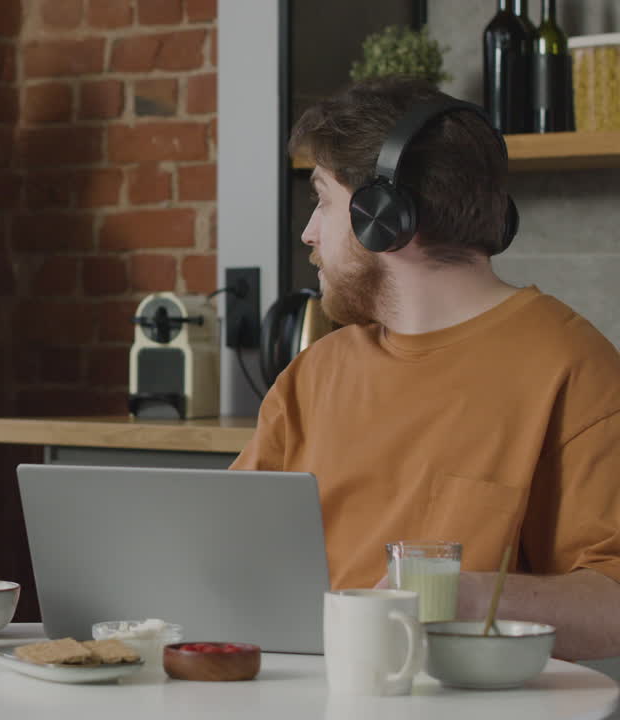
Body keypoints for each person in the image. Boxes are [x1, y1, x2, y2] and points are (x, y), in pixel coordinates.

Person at [232, 77, 620, 660]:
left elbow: (613, 601)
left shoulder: (573, 368)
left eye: (323, 200)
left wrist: (457, 597)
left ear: (382, 216)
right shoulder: (315, 373)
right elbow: (224, 547)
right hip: (301, 687)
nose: (309, 233)